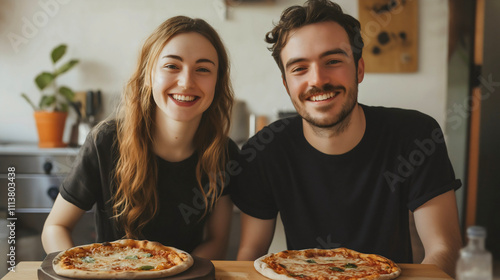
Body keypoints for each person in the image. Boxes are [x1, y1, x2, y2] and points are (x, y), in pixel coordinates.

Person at [231, 0, 462, 276]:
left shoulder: (415, 135)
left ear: (359, 69)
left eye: (333, 61)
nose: (318, 80)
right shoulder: (264, 151)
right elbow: (250, 254)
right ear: (286, 84)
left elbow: (444, 247)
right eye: (299, 68)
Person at [42, 16, 238, 260]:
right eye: (172, 66)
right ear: (149, 74)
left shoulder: (225, 152)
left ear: (217, 83)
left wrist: (178, 274)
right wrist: (81, 268)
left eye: (203, 69)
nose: (187, 82)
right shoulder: (106, 141)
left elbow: (216, 240)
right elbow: (54, 228)